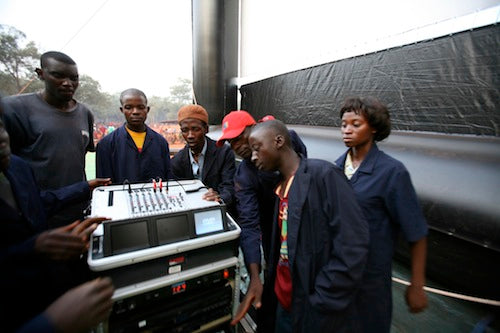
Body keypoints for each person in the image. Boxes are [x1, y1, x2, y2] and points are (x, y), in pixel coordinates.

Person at [0, 103, 113, 332]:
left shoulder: (17, 167)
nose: (1, 140)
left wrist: (84, 188)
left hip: (47, 286)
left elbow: (39, 202)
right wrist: (49, 324)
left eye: (0, 127)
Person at [248, 119, 369, 332]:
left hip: (314, 307)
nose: (253, 156)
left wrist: (322, 298)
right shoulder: (279, 189)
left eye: (257, 148)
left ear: (278, 141)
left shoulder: (324, 175)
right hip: (284, 303)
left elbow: (353, 244)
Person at [335, 96, 428, 333]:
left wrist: (416, 285)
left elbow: (416, 233)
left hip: (371, 282)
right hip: (336, 277)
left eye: (356, 125)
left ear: (374, 127)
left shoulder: (392, 173)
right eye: (344, 124)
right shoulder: (335, 169)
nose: (347, 130)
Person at [216, 110, 307, 331]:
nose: (236, 146)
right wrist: (255, 275)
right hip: (273, 231)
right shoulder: (244, 175)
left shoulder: (289, 138)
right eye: (230, 142)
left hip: (303, 223)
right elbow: (249, 225)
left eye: (239, 137)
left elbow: (303, 168)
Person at [3, 51, 96, 228]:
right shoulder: (14, 109)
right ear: (41, 74)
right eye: (58, 76)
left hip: (78, 210)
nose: (68, 83)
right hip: (36, 215)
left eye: (74, 78)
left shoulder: (85, 113)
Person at [96, 88, 172, 183]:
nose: (135, 112)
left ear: (147, 110)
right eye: (128, 107)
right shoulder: (106, 144)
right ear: (122, 110)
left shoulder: (160, 142)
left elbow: (168, 179)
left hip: (156, 197)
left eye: (140, 107)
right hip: (120, 197)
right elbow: (104, 185)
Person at [171, 104, 236, 214]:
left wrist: (219, 198)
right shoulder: (177, 161)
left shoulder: (223, 152)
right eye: (185, 130)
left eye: (195, 129)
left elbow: (229, 187)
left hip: (221, 210)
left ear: (206, 129)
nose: (190, 135)